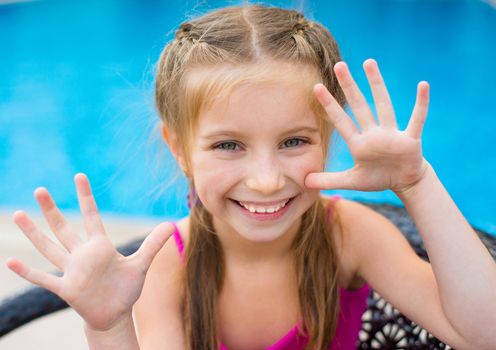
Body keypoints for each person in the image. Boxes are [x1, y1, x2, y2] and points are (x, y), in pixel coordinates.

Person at [5, 4, 496, 350]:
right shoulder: (167, 269)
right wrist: (109, 327)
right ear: (179, 148)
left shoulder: (350, 235)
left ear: (329, 138)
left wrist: (416, 183)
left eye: (294, 142)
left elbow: (483, 333)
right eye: (228, 146)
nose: (265, 180)